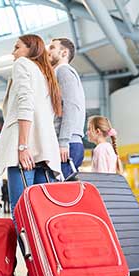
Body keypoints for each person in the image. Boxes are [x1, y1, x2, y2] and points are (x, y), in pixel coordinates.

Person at [0, 34, 62, 276]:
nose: (13, 52)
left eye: (17, 47)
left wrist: (22, 145)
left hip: (26, 151)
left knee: (22, 216)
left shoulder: (23, 65)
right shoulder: (44, 74)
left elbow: (24, 104)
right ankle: (51, 274)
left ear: (29, 49)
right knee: (42, 217)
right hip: (45, 151)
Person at [48, 38, 86, 179]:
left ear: (64, 53)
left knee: (61, 196)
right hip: (67, 142)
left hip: (67, 144)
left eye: (52, 47)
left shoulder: (63, 71)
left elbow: (71, 106)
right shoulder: (58, 72)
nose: (48, 51)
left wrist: (63, 141)